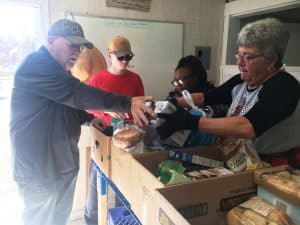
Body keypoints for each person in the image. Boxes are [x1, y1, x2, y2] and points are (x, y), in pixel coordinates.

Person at [9, 19, 153, 225]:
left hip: (61, 166)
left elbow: (65, 105)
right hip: (40, 172)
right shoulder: (36, 64)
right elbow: (77, 93)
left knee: (58, 220)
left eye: (80, 46)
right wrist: (126, 103)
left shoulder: (60, 71)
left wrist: (88, 118)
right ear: (51, 41)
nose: (77, 51)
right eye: (71, 45)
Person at [156, 18, 300, 166]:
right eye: (239, 55)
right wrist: (169, 104)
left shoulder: (284, 86)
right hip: (242, 159)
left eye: (248, 57)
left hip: (276, 168)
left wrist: (189, 121)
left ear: (271, 60)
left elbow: (247, 127)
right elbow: (206, 97)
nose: (239, 62)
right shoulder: (242, 80)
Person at [84, 36, 145, 225]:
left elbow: (140, 105)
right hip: (105, 134)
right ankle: (92, 221)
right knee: (97, 180)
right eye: (121, 57)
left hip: (129, 135)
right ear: (109, 55)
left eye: (129, 57)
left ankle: (121, 219)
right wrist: (104, 109)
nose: (126, 61)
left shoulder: (135, 79)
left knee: (126, 182)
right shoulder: (97, 80)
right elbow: (85, 106)